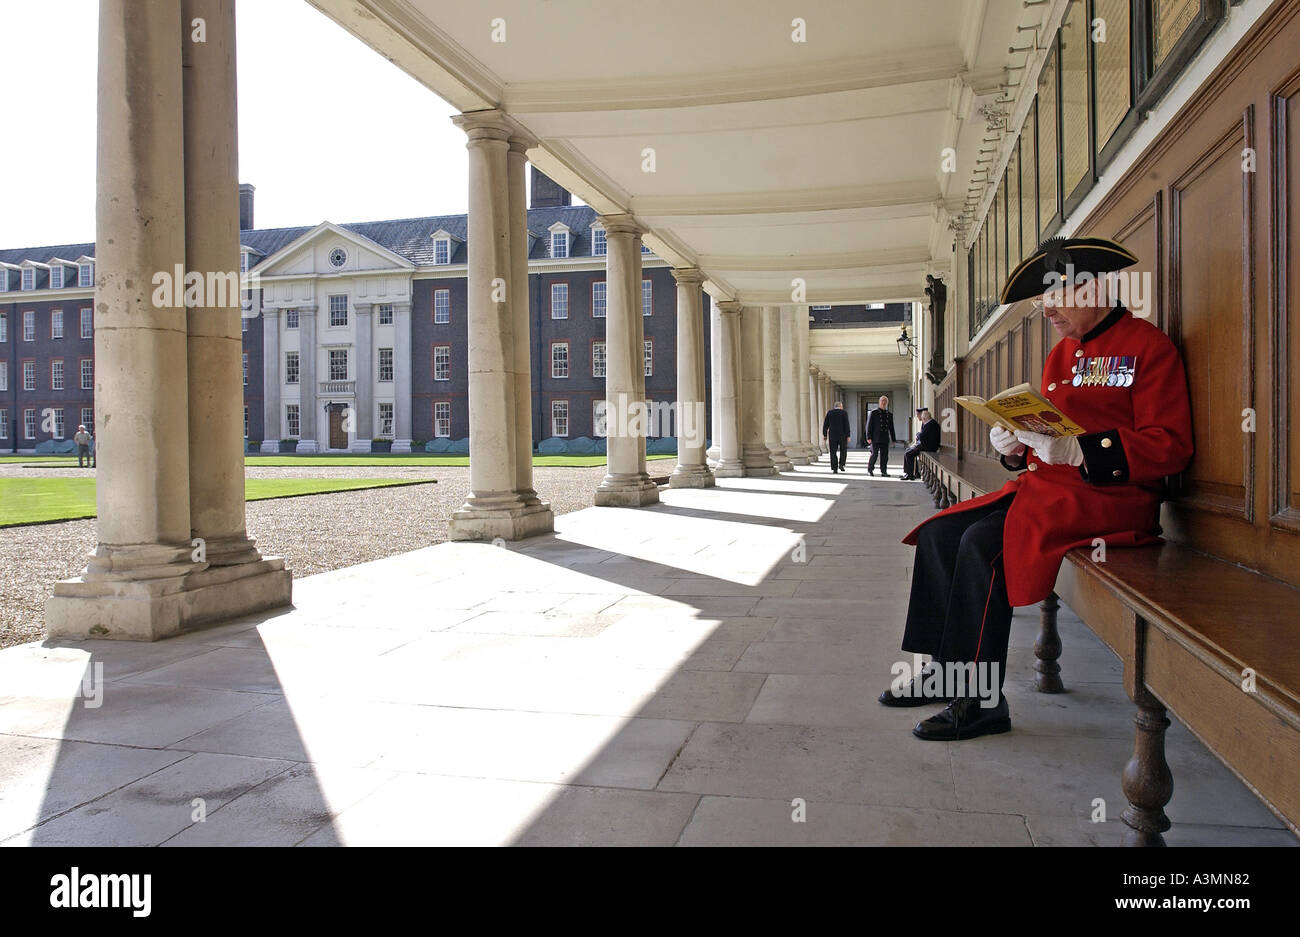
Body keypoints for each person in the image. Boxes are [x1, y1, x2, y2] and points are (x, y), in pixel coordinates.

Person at [878, 236, 1194, 741]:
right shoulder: (1062, 355)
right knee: (941, 535)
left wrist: (1082, 452)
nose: (1046, 309)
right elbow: (1047, 436)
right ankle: (945, 669)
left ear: (1094, 289)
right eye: (1043, 298)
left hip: (1111, 501)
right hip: (1051, 493)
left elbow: (1170, 446)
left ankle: (982, 700)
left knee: (984, 544)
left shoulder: (1148, 347)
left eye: (1056, 294)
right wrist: (1013, 446)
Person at [901, 408, 940, 479]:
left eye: (922, 419)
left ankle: (910, 474)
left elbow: (922, 436)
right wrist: (919, 435)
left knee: (908, 454)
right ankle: (911, 473)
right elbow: (923, 435)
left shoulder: (930, 424)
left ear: (924, 418)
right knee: (908, 451)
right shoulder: (930, 423)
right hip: (926, 445)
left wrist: (918, 435)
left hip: (929, 447)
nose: (922, 421)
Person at [865, 395, 897, 476]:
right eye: (882, 401)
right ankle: (870, 469)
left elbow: (891, 427)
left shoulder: (889, 414)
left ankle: (884, 471)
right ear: (879, 402)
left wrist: (893, 439)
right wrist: (868, 437)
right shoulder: (873, 412)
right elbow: (868, 426)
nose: (883, 402)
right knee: (874, 454)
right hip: (875, 437)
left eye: (885, 401)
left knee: (885, 456)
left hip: (885, 438)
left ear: (887, 403)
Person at [822, 401, 851, 473]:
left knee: (833, 452)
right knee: (843, 450)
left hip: (832, 435)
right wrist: (848, 435)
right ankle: (841, 464)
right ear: (840, 406)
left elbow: (825, 425)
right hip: (842, 435)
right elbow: (846, 425)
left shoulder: (830, 413)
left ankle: (835, 468)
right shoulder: (844, 413)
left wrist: (825, 435)